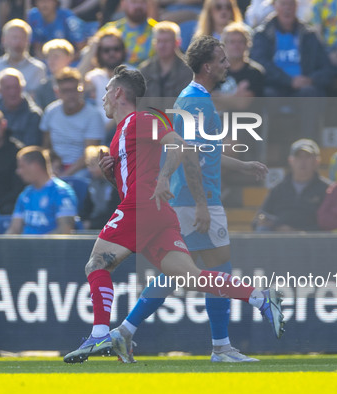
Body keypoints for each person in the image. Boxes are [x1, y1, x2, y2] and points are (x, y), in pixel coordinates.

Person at [63, 64, 284, 364]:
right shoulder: (121, 133)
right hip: (154, 211)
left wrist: (166, 177)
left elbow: (177, 145)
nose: (102, 98)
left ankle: (100, 333)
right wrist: (112, 176)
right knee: (191, 277)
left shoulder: (142, 118)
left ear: (117, 93)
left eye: (105, 92)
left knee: (96, 265)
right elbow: (134, 179)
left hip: (142, 208)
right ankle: (259, 296)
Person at [110, 36, 274, 364]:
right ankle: (221, 347)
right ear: (208, 66)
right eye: (223, 60)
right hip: (197, 200)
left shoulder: (193, 99)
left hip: (187, 198)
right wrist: (201, 203)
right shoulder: (197, 102)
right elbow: (191, 155)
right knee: (217, 267)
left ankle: (125, 331)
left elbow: (206, 152)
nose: (228, 65)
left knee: (176, 272)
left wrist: (242, 165)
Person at [251, 0, 334, 98]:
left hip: (304, 88)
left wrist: (311, 80)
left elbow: (326, 67)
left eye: (291, 4)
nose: (288, 8)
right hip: (274, 87)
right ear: (274, 6)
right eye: (283, 4)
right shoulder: (262, 34)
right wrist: (289, 81)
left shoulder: (309, 35)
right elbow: (259, 64)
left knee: (311, 93)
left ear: (296, 6)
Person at [253, 139, 330, 232]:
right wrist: (264, 221)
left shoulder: (327, 189)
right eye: (298, 157)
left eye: (307, 157)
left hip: (312, 242)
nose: (302, 162)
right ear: (291, 160)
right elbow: (258, 220)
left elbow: (328, 224)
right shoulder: (278, 189)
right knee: (262, 230)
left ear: (317, 161)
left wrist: (297, 232)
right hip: (278, 241)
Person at [41, 67, 104, 178]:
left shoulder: (93, 116)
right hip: (56, 166)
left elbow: (90, 154)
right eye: (65, 91)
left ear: (81, 90)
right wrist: (52, 165)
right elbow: (46, 146)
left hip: (82, 169)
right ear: (57, 92)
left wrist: (65, 175)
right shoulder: (50, 111)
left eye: (74, 90)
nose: (70, 95)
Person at [6, 146, 78, 235]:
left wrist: (37, 245)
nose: (18, 171)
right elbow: (14, 229)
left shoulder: (61, 192)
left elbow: (65, 230)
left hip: (50, 247)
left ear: (35, 166)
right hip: (25, 247)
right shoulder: (26, 193)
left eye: (21, 166)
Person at [0, 19, 47, 103]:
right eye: (14, 38)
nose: (17, 43)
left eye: (22, 38)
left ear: (28, 42)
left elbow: (35, 100)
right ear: (3, 40)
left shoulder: (38, 69)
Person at [213, 22, 265, 111]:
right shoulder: (215, 71)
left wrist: (219, 97)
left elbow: (241, 104)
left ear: (247, 45)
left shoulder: (255, 72)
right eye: (232, 42)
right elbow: (209, 102)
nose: (236, 46)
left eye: (240, 42)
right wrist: (235, 96)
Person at [84, 28, 127, 128]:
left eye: (116, 49)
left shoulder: (133, 74)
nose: (111, 53)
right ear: (99, 53)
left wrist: (105, 131)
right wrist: (91, 51)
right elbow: (75, 84)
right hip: (96, 129)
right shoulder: (94, 76)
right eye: (106, 50)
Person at [139, 21, 193, 98]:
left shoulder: (188, 71)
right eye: (158, 41)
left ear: (177, 42)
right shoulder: (144, 71)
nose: (162, 46)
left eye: (166, 41)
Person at [0, 68, 43, 147]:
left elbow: (31, 147)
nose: (12, 92)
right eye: (8, 88)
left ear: (22, 88)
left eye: (16, 87)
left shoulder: (33, 115)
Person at [99, 0, 157, 67]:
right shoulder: (109, 29)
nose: (138, 6)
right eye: (134, 2)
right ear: (123, 4)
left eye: (143, 2)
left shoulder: (157, 31)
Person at [80, 145, 120, 230]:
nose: (90, 169)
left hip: (111, 225)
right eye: (89, 165)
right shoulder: (92, 184)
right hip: (93, 223)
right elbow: (87, 208)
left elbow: (113, 211)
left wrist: (92, 224)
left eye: (94, 165)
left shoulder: (114, 184)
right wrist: (85, 221)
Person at [34, 39, 75, 111]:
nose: (51, 61)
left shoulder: (77, 83)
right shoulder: (43, 87)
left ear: (68, 58)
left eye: (56, 56)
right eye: (48, 57)